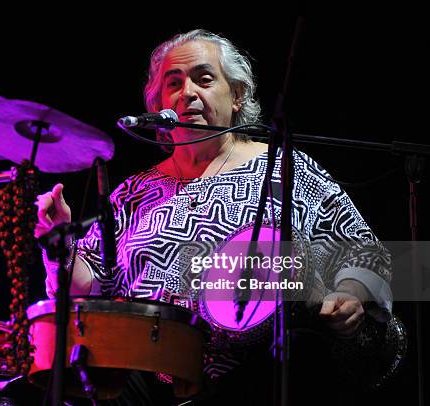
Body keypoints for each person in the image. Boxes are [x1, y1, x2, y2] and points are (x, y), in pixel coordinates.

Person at [34, 29, 392, 404]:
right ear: (159, 106)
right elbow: (88, 289)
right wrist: (60, 242)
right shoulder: (133, 191)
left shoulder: (283, 168)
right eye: (173, 84)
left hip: (253, 372)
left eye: (203, 79)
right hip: (143, 377)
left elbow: (364, 250)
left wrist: (350, 295)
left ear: (237, 95)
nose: (187, 92)